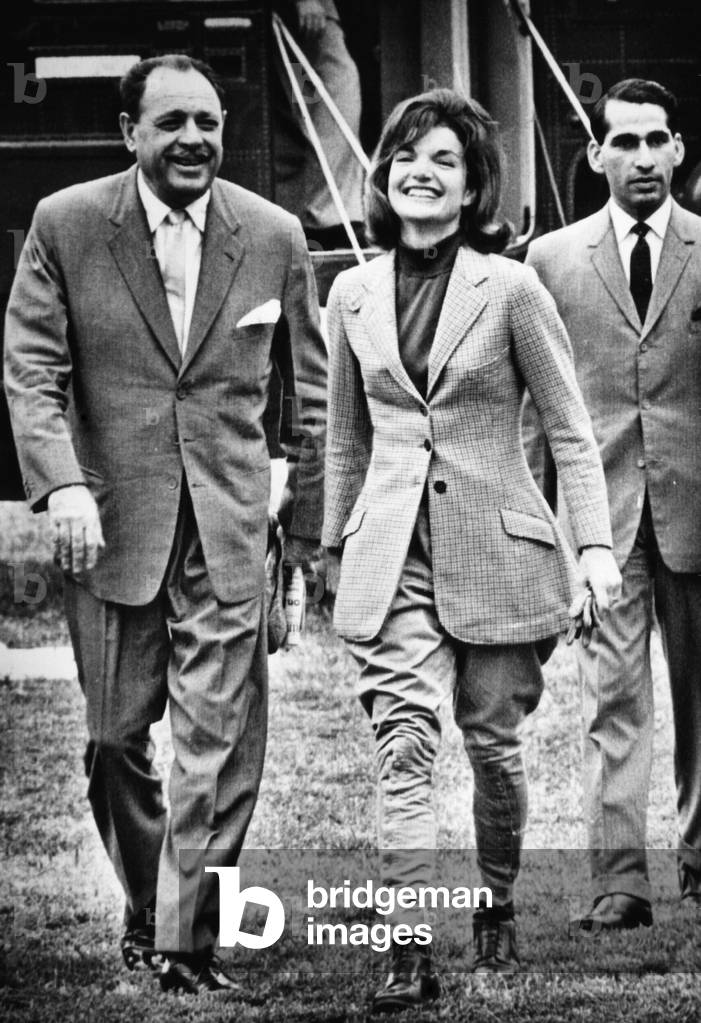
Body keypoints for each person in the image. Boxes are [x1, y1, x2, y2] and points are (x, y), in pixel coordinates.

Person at [3, 54, 326, 994]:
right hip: (108, 525)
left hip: (227, 527)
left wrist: (295, 526)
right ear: (129, 133)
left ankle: (185, 942)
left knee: (218, 742)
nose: (194, 139)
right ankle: (153, 905)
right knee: (113, 739)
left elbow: (302, 397)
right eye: (172, 121)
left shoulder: (272, 234)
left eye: (209, 122)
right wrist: (61, 485)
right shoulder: (66, 225)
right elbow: (30, 372)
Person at [322, 88, 619, 1011]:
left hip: (499, 552)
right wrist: (333, 550)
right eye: (406, 155)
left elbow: (570, 432)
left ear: (470, 185)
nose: (421, 170)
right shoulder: (351, 291)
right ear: (383, 175)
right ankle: (406, 949)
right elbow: (343, 440)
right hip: (390, 555)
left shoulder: (513, 288)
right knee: (405, 741)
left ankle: (493, 904)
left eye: (443, 159)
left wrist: (597, 547)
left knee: (492, 746)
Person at [524, 78, 701, 931]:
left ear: (677, 149)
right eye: (622, 141)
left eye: (655, 140)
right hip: (600, 527)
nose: (641, 157)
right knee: (611, 702)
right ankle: (619, 881)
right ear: (593, 153)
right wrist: (534, 527)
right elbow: (534, 407)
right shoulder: (549, 261)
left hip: (698, 514)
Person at [273, 0, 365, 248]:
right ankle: (329, 216)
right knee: (334, 99)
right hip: (306, 20)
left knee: (310, 107)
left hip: (303, 19)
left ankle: (320, 215)